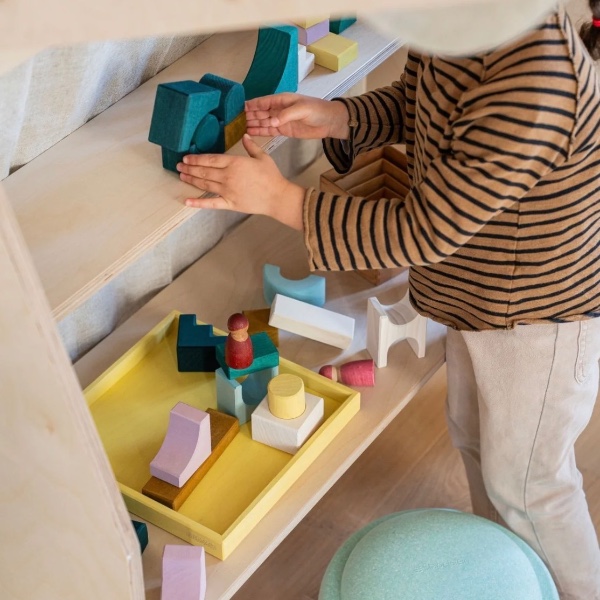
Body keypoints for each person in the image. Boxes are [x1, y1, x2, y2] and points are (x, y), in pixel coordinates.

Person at [176, 4, 600, 598]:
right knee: (477, 441)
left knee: (532, 487)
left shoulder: (537, 82)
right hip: (478, 298)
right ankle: (508, 566)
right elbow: (419, 105)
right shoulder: (457, 24)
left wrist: (279, 201)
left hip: (537, 318)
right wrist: (339, 116)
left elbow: (423, 231)